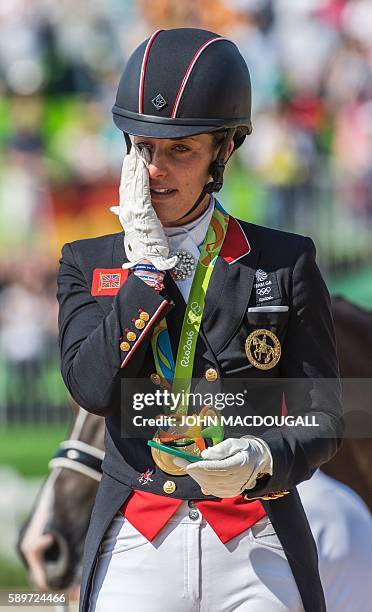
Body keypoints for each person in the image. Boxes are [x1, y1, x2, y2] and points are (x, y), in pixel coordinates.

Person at [57, 28, 343, 612]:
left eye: (180, 150)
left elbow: (327, 416)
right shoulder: (88, 262)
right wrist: (144, 274)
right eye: (141, 147)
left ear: (223, 152)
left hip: (255, 535)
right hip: (139, 533)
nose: (156, 170)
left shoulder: (284, 261)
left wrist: (264, 456)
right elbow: (91, 388)